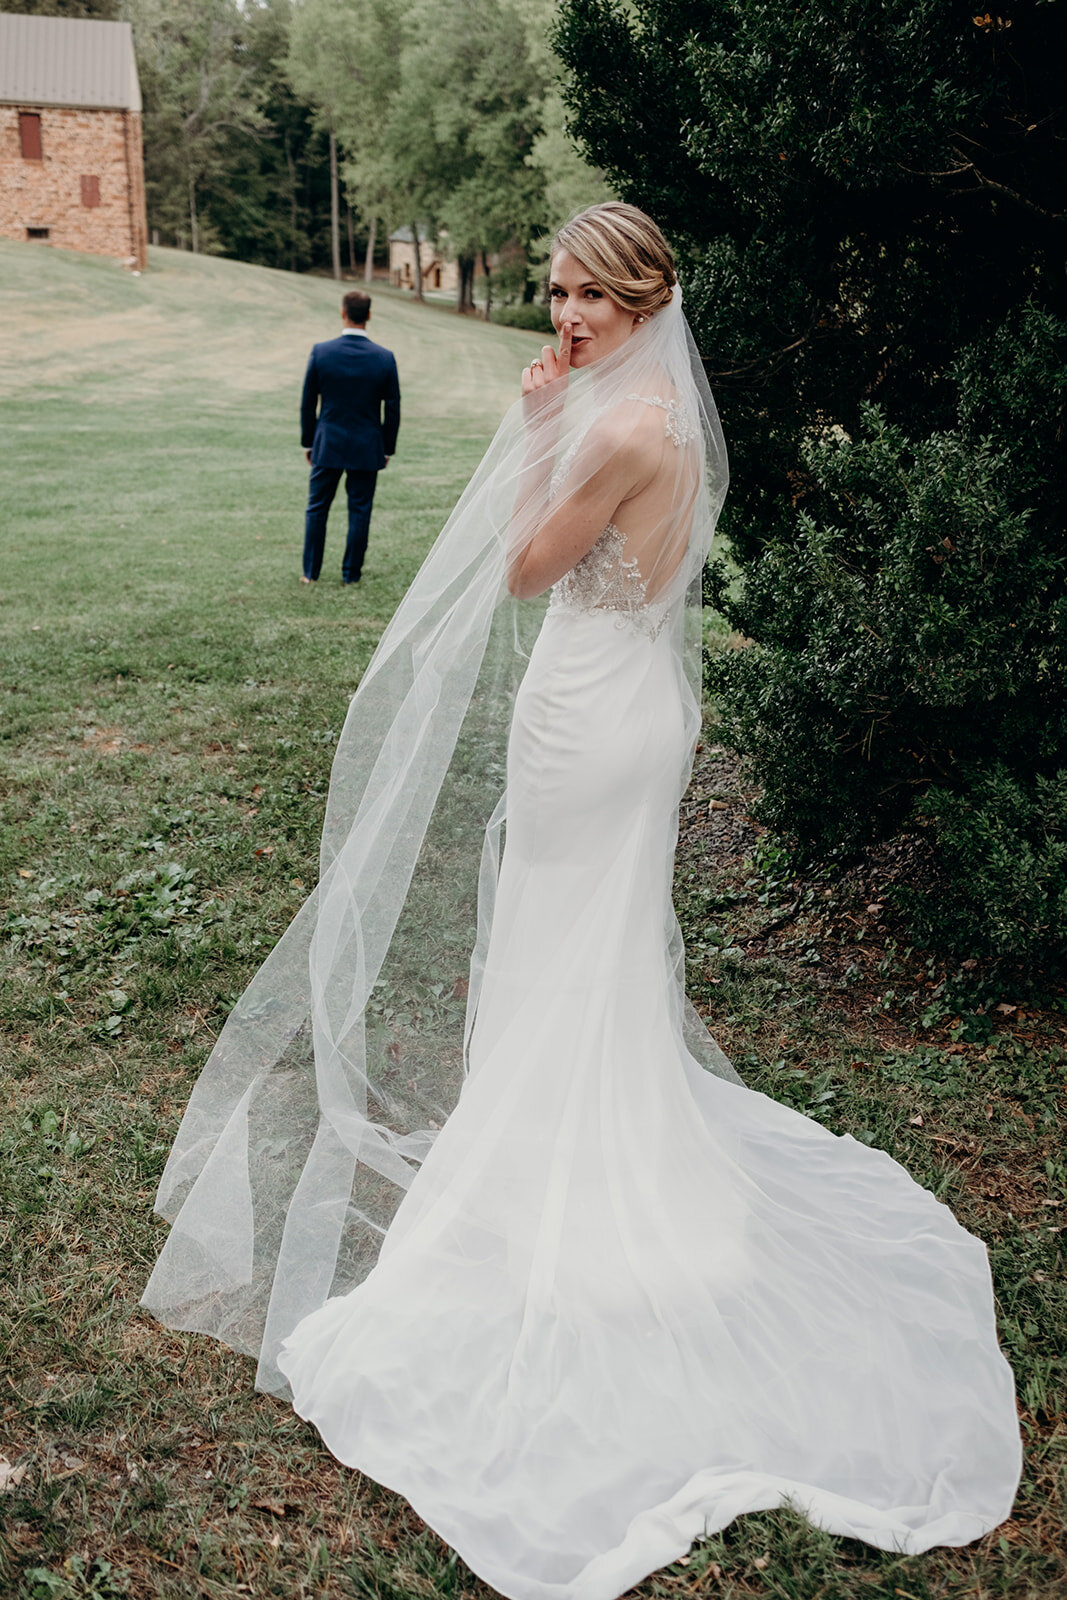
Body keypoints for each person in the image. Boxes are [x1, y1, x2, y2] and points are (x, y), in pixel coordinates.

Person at [143, 204, 1021, 1600]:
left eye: (586, 300)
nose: (562, 318)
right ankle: (581, 1155)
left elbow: (522, 567)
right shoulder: (665, 403)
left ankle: (554, 1193)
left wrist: (539, 424)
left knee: (560, 945)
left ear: (639, 299)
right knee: (588, 950)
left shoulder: (617, 427)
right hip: (637, 702)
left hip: (589, 709)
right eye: (551, 294)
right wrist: (563, 402)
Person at [299, 289, 400, 587]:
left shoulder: (321, 352)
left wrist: (309, 441)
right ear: (368, 315)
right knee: (360, 511)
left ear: (343, 312)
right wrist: (387, 447)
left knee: (317, 508)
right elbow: (392, 409)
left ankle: (310, 573)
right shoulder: (384, 358)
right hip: (367, 446)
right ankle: (350, 575)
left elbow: (308, 402)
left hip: (327, 443)